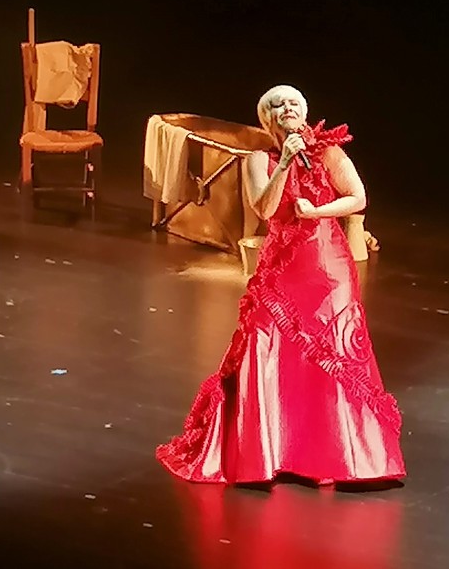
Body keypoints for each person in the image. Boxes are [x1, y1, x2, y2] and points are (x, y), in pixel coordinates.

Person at [155, 84, 406, 486]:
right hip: (283, 267)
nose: (287, 108)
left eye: (294, 103)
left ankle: (344, 458)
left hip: (328, 266)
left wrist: (317, 211)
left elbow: (358, 197)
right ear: (267, 118)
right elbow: (265, 208)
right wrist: (286, 162)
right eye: (278, 104)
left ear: (304, 112)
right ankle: (269, 453)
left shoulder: (329, 152)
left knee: (333, 352)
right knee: (268, 348)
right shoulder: (259, 159)